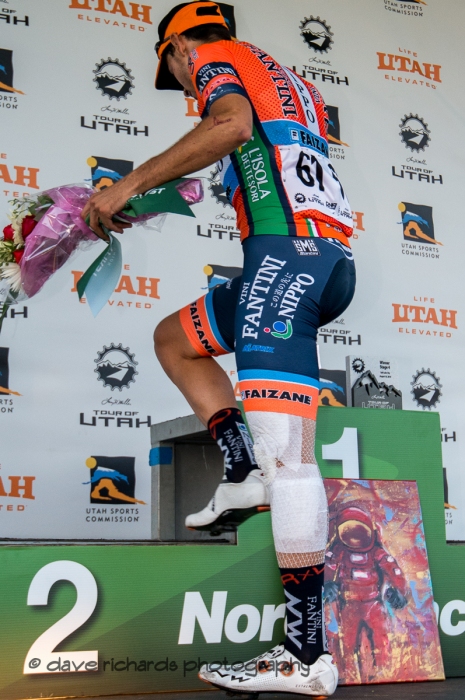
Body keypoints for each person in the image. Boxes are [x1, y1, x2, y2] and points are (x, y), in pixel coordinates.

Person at [82, 2, 356, 695]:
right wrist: (123, 205)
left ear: (178, 48)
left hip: (286, 263)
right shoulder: (286, 81)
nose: (183, 85)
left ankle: (303, 656)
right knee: (175, 340)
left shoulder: (215, 59)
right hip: (311, 260)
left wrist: (131, 180)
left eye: (175, 73)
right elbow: (235, 153)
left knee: (291, 464)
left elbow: (226, 126)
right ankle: (241, 469)